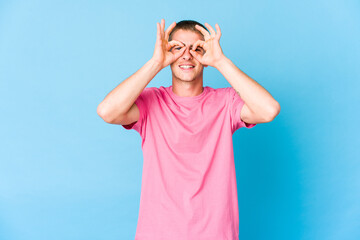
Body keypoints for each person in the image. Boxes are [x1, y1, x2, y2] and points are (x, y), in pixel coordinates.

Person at [97, 19, 280, 240]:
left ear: (206, 55)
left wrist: (221, 61)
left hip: (215, 234)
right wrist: (156, 62)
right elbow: (107, 111)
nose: (186, 55)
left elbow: (269, 110)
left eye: (196, 49)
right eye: (177, 48)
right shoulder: (151, 101)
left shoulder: (226, 102)